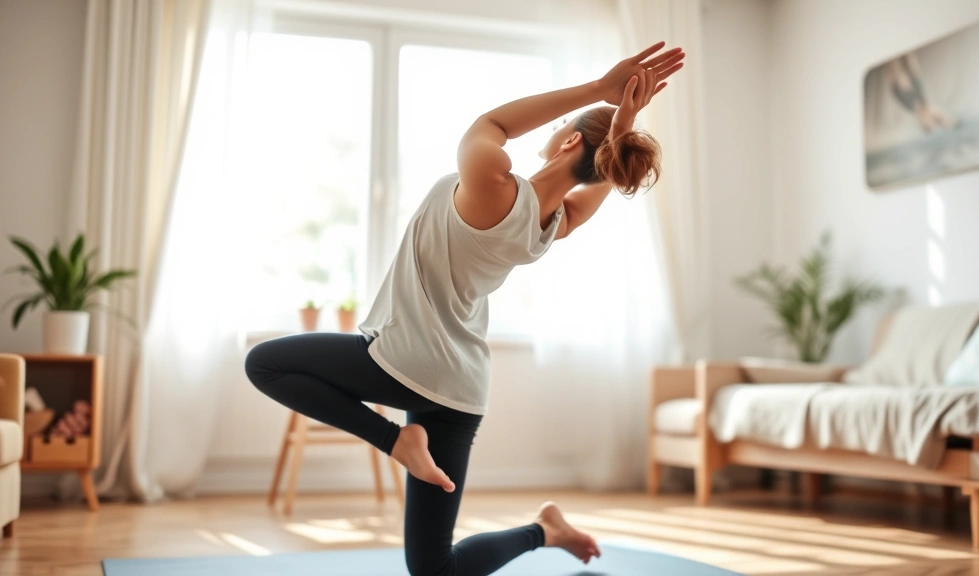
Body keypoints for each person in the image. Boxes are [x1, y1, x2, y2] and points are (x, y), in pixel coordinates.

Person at [245, 41, 684, 576]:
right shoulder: (553, 224)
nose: (556, 125)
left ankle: (396, 441)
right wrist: (622, 125)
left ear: (570, 139)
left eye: (564, 124)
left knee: (264, 364)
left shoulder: (490, 183)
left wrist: (599, 91)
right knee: (436, 571)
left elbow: (492, 123)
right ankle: (545, 531)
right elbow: (607, 173)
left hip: (409, 363)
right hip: (461, 390)